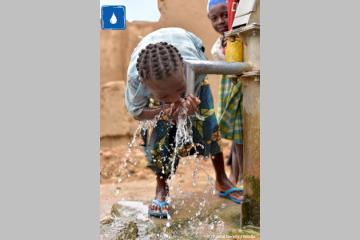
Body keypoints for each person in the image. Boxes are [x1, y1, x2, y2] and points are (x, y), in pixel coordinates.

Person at [125, 27, 243, 218]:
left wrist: (189, 99)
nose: (174, 99)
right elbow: (137, 111)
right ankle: (162, 188)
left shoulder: (195, 67)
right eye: (165, 96)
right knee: (158, 134)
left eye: (178, 92)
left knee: (208, 123)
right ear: (146, 87)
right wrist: (163, 111)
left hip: (189, 65)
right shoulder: (137, 80)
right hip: (160, 75)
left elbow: (188, 98)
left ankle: (222, 179)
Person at [207, 0, 244, 186]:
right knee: (237, 139)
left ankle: (242, 177)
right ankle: (235, 176)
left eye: (225, 15)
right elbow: (219, 56)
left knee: (242, 138)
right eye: (214, 18)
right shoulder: (220, 42)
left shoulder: (241, 35)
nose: (220, 21)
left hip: (242, 89)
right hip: (230, 90)